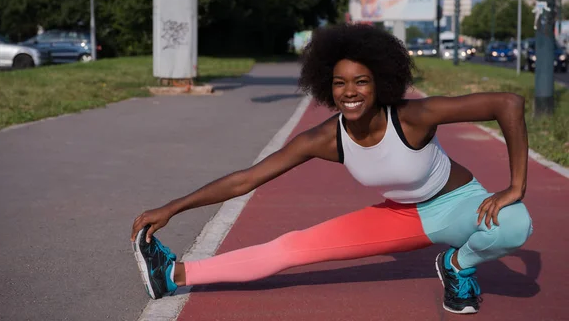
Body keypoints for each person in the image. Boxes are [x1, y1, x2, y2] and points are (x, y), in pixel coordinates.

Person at [131, 24, 533, 314]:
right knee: (289, 249)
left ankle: (457, 266)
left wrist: (515, 186)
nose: (351, 92)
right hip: (403, 216)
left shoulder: (414, 116)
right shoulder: (326, 138)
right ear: (328, 86)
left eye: (361, 81)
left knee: (516, 225)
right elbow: (247, 179)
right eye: (340, 83)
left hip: (461, 203)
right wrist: (171, 208)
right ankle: (174, 275)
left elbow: (508, 103)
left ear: (381, 83)